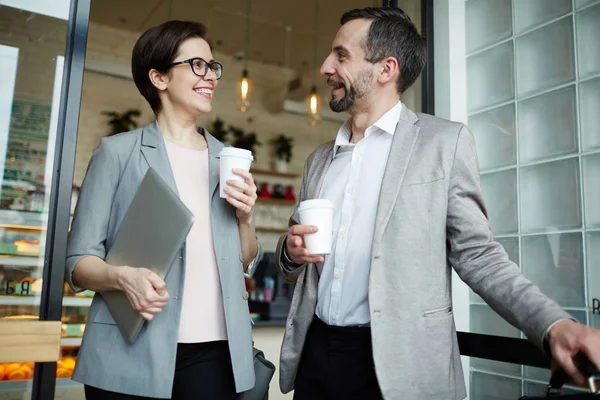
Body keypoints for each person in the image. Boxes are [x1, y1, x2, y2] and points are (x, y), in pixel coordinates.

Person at [275, 7, 600, 400]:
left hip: (400, 366)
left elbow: (479, 256)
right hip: (316, 356)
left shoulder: (444, 143)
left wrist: (555, 326)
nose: (326, 66)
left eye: (341, 55)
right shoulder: (319, 160)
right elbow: (291, 257)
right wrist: (291, 252)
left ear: (386, 68)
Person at [65, 20, 261, 399]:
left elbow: (243, 259)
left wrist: (246, 218)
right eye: (197, 65)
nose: (211, 76)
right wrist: (123, 279)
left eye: (213, 66)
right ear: (158, 77)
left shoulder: (227, 159)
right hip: (130, 349)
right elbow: (77, 261)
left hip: (215, 354)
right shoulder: (118, 153)